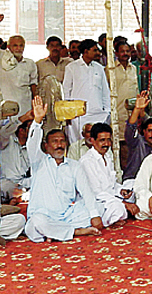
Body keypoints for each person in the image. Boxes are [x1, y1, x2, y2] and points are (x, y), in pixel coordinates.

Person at [24, 96, 102, 242]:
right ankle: (76, 232)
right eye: (54, 142)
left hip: (67, 215)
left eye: (62, 141)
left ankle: (55, 233)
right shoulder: (39, 161)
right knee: (36, 222)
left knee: (98, 206)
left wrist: (94, 214)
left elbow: (86, 191)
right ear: (46, 146)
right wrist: (37, 120)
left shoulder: (74, 165)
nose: (59, 145)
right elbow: (32, 144)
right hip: (44, 216)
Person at [79, 123, 137, 228]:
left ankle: (117, 215)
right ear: (92, 141)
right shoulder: (87, 161)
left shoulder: (107, 156)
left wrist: (121, 191)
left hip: (111, 196)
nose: (106, 144)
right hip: (97, 200)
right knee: (118, 207)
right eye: (102, 140)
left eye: (108, 140)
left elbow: (112, 184)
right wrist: (124, 203)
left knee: (133, 191)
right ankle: (107, 221)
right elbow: (96, 192)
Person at [0, 14, 38, 118]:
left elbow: (33, 85)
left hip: (25, 109)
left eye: (21, 45)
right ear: (9, 47)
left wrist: (35, 105)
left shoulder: (30, 63)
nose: (18, 48)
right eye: (15, 45)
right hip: (6, 109)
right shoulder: (0, 57)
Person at [63, 39, 111, 144]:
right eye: (94, 50)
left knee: (98, 142)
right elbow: (66, 91)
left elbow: (105, 91)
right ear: (85, 51)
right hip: (78, 115)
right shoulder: (72, 67)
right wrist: (68, 114)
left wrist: (107, 111)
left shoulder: (99, 68)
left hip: (98, 113)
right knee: (78, 143)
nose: (97, 53)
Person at [109, 40, 139, 169]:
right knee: (119, 145)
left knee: (132, 144)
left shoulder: (134, 68)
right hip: (117, 113)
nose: (125, 54)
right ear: (116, 53)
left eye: (127, 51)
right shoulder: (110, 69)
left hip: (132, 114)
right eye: (122, 51)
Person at [0, 110, 34, 203]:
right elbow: (2, 132)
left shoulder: (30, 147)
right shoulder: (7, 141)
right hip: (5, 182)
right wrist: (24, 118)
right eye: (30, 128)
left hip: (21, 183)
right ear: (21, 130)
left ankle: (18, 198)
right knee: (9, 188)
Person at [123, 91, 152, 182]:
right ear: (144, 132)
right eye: (150, 131)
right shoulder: (137, 143)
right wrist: (137, 109)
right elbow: (130, 128)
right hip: (133, 182)